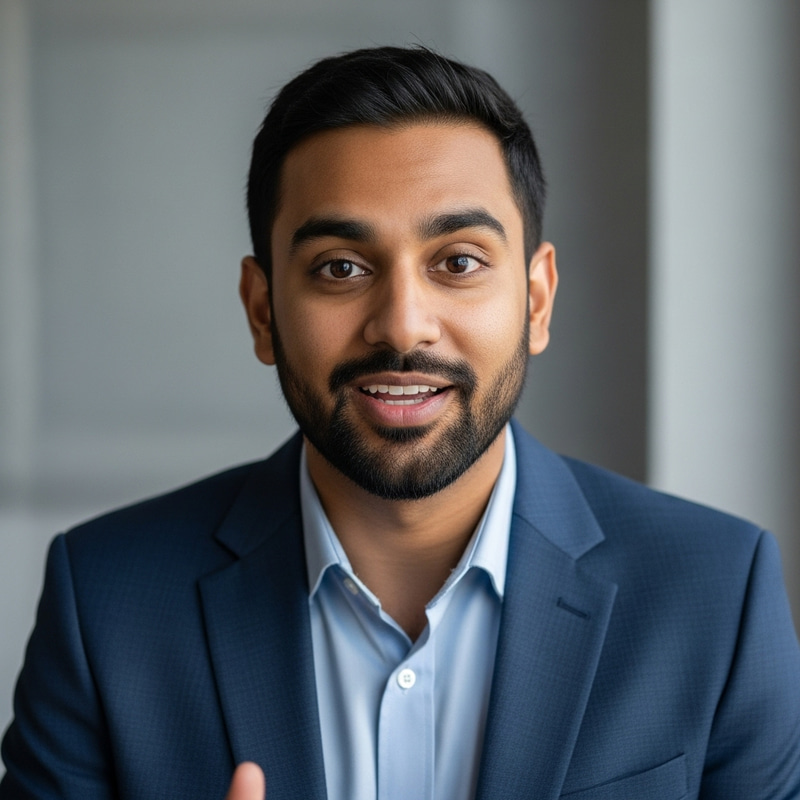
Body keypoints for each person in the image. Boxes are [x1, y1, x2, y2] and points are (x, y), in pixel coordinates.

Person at [2, 45, 799, 800]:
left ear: (537, 299)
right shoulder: (106, 606)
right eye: (340, 269)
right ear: (262, 310)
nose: (403, 325)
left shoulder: (716, 594)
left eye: (458, 262)